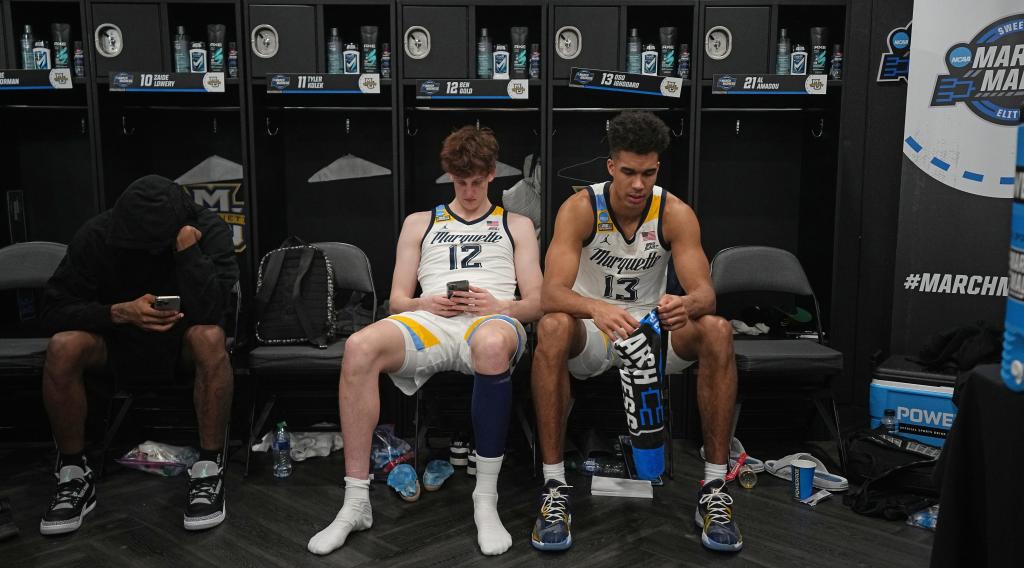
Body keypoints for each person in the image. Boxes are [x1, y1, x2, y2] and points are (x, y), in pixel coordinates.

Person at [308, 126, 543, 557]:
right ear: (448, 176)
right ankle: (355, 502)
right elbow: (397, 300)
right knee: (359, 347)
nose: (469, 192)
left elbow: (538, 303)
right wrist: (425, 301)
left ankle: (484, 500)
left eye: (477, 182)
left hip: (491, 322)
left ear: (492, 175)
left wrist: (499, 305)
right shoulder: (421, 221)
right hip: (432, 319)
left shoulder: (517, 224)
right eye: (460, 182)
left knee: (491, 344)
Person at [530, 111, 742, 553]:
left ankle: (715, 489)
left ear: (657, 169)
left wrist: (685, 304)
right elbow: (550, 292)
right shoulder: (581, 208)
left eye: (647, 173)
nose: (637, 185)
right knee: (551, 327)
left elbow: (706, 294)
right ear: (611, 167)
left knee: (718, 330)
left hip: (652, 331)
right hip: (593, 330)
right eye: (628, 172)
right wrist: (594, 307)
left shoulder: (675, 212)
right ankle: (553, 488)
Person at [38, 175, 239, 535]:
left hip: (181, 345)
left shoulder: (206, 229)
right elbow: (52, 309)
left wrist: (188, 254)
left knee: (212, 338)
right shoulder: (98, 234)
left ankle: (209, 468)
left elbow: (219, 312)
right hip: (116, 342)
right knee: (63, 345)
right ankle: (73, 472)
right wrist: (116, 313)